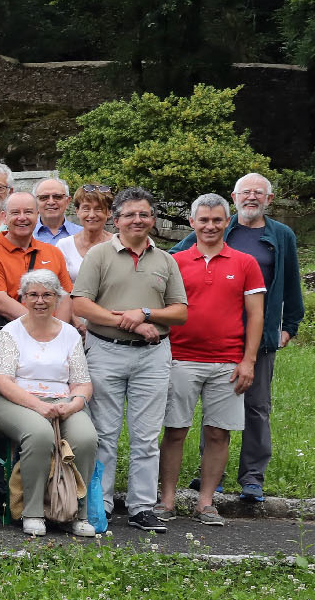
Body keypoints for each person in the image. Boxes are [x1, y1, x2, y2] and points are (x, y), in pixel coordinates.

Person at [169, 173, 301, 503]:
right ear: (235, 197)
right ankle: (211, 477)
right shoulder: (218, 228)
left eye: (259, 193)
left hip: (258, 336)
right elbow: (174, 259)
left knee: (255, 407)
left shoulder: (280, 235)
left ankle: (253, 477)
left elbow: (291, 283)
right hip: (211, 339)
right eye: (246, 192)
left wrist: (290, 325)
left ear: (269, 199)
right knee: (213, 409)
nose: (252, 197)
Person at [71, 187, 188, 533]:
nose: (137, 220)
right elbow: (81, 304)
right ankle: (102, 504)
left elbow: (180, 312)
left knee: (146, 436)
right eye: (130, 214)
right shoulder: (99, 255)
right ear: (116, 219)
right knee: (104, 433)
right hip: (106, 350)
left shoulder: (165, 260)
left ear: (153, 219)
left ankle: (141, 507)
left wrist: (147, 313)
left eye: (144, 214)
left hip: (152, 357)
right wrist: (129, 321)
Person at [161, 194, 265, 525]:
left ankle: (206, 502)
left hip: (228, 363)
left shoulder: (245, 262)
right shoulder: (174, 261)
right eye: (203, 220)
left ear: (227, 222)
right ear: (191, 223)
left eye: (217, 220)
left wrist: (248, 361)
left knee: (219, 433)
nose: (210, 226)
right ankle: (166, 500)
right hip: (181, 358)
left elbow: (256, 315)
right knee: (175, 430)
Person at [0, 269, 98, 537]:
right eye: (33, 294)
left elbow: (83, 382)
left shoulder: (70, 334)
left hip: (61, 401)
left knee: (86, 438)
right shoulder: (11, 332)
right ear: (23, 298)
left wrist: (73, 404)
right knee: (39, 433)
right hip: (12, 399)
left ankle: (76, 513)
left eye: (47, 295)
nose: (40, 300)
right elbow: (2, 380)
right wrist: (38, 406)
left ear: (57, 298)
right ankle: (32, 512)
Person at [0, 191, 74, 349]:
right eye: (15, 212)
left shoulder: (53, 252)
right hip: (12, 338)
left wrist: (58, 333)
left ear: (37, 216)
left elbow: (65, 296)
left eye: (28, 212)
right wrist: (43, 328)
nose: (22, 217)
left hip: (54, 340)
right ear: (4, 217)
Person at [56, 184, 115, 280]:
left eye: (98, 209)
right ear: (77, 211)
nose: (91, 215)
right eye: (86, 208)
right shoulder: (64, 246)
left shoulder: (119, 244)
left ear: (109, 212)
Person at [33, 177, 81, 245]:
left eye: (57, 197)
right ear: (35, 202)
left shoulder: (82, 234)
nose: (51, 202)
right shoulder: (24, 235)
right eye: (44, 197)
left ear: (67, 201)